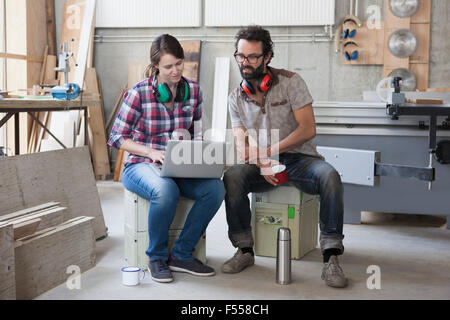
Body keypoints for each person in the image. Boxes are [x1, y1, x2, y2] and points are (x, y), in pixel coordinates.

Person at [222, 26, 348, 288]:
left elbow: (308, 129)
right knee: (232, 177)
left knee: (330, 178)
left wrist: (270, 151)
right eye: (241, 56)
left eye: (253, 57)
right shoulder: (235, 97)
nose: (245, 63)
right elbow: (241, 139)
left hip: (300, 159)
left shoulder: (292, 82)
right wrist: (254, 157)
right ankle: (244, 250)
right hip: (263, 164)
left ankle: (331, 257)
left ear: (267, 57)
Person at [108, 34, 225, 283]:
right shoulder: (139, 93)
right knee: (165, 189)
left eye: (179, 64)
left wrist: (206, 157)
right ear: (156, 67)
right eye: (168, 66)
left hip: (179, 164)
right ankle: (157, 258)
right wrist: (150, 152)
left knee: (215, 189)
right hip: (140, 165)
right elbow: (117, 137)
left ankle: (182, 254)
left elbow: (196, 134)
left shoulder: (193, 90)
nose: (175, 71)